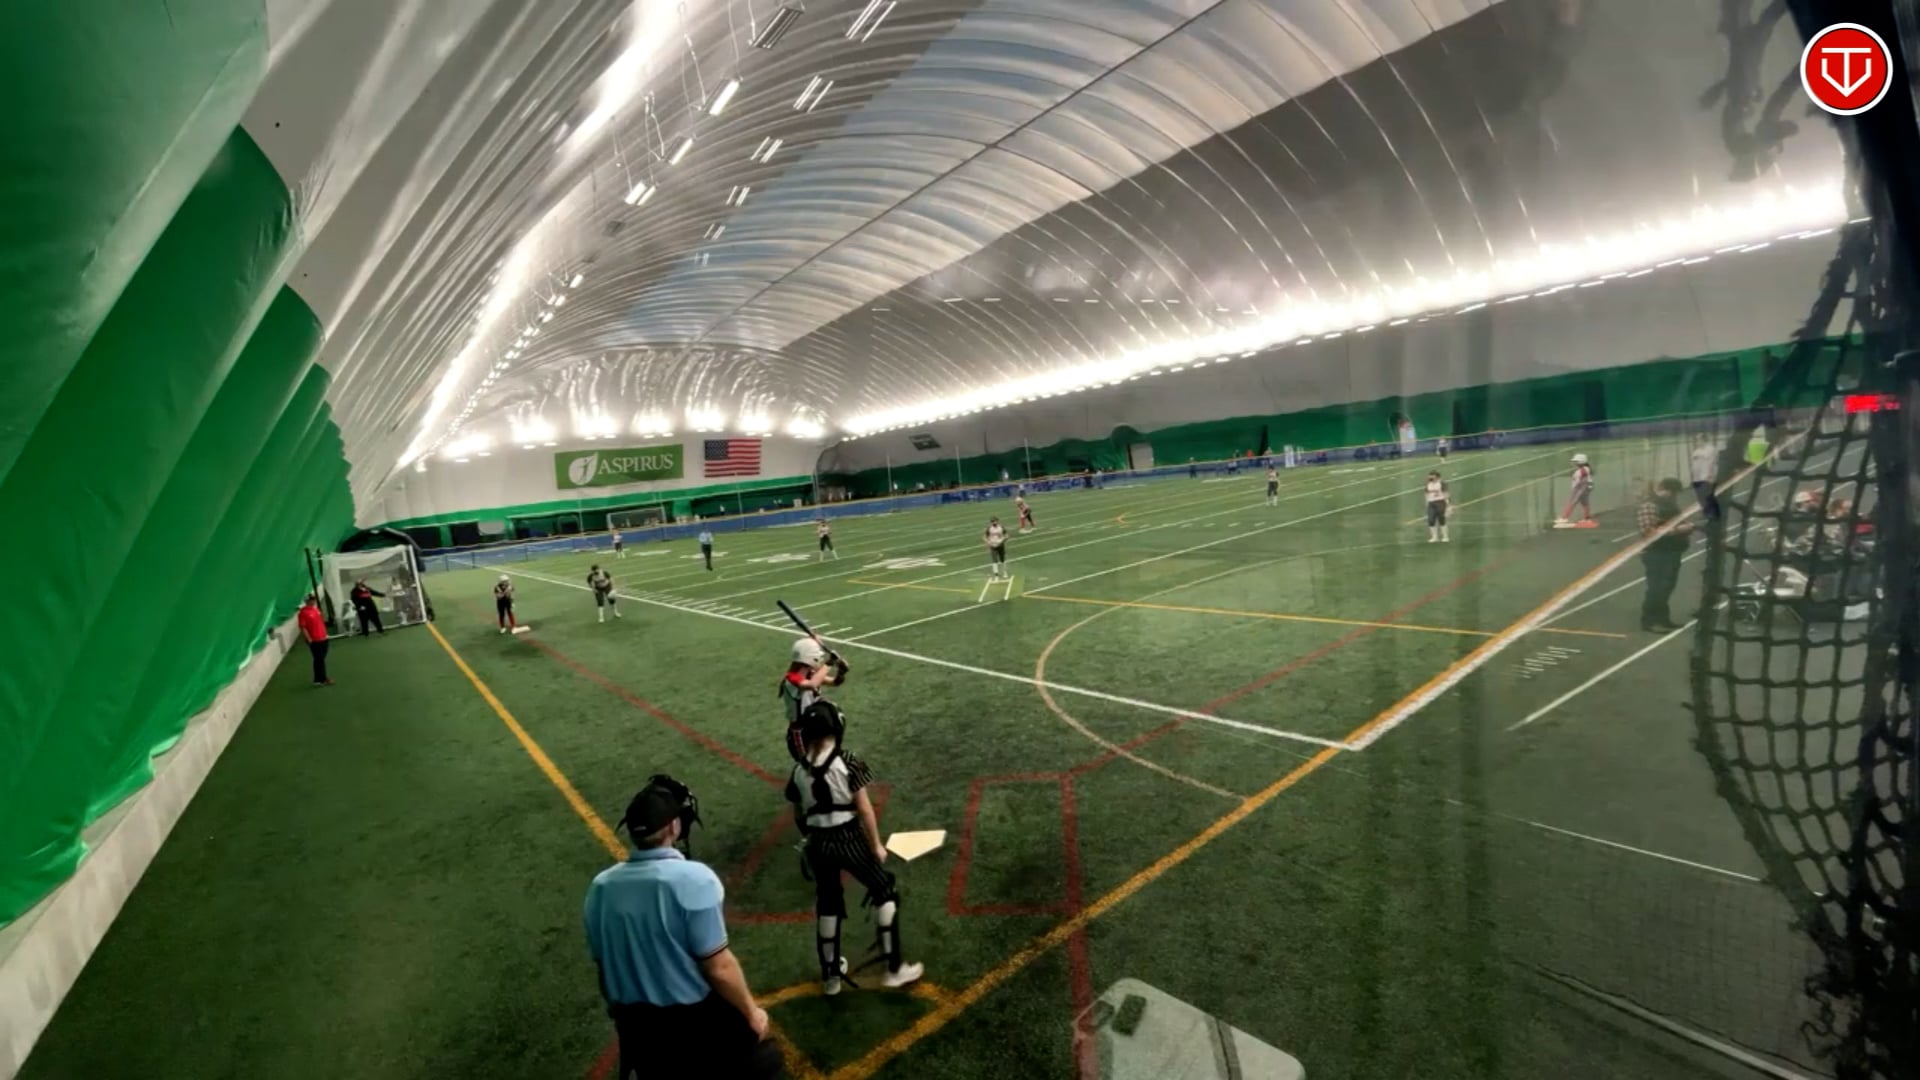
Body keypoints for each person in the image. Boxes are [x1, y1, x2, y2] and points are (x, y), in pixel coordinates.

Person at [585, 776, 783, 1080]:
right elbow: (719, 967)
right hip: (690, 1023)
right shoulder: (694, 879)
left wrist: (621, 1015)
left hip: (635, 1024)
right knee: (766, 1058)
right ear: (674, 826)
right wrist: (752, 1013)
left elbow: (603, 968)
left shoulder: (600, 888)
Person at [786, 700, 924, 994]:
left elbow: (798, 813)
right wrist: (876, 845)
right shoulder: (847, 761)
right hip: (847, 837)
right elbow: (864, 808)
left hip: (819, 842)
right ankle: (894, 969)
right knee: (884, 889)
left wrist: (810, 837)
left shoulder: (798, 771)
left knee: (828, 901)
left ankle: (831, 977)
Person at [1636, 478, 1695, 632]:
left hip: (1672, 552)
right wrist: (1678, 530)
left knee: (1667, 587)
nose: (1674, 497)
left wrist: (1688, 527)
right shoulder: (1649, 506)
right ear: (1664, 490)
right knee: (1656, 588)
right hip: (1656, 553)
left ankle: (1662, 618)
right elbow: (1648, 532)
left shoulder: (1671, 506)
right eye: (1672, 493)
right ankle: (1649, 621)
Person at [780, 637, 848, 763]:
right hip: (801, 732)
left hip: (815, 725)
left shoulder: (811, 674)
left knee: (825, 761)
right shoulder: (792, 678)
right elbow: (812, 684)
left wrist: (842, 672)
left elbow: (835, 682)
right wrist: (829, 663)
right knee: (808, 765)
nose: (820, 659)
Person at [297, 594, 332, 686]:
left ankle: (317, 679)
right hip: (315, 640)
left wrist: (326, 634)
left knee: (320, 659)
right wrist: (308, 639)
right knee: (319, 659)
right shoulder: (303, 613)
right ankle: (323, 679)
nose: (313, 601)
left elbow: (320, 622)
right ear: (306, 601)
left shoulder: (316, 609)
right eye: (311, 600)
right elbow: (302, 627)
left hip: (323, 637)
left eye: (314, 599)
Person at [1689, 435, 1722, 522]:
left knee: (1708, 496)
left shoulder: (1711, 449)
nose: (1697, 442)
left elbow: (1712, 462)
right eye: (1696, 440)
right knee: (1700, 497)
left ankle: (1714, 514)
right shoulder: (1696, 451)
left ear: (1704, 440)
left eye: (1698, 440)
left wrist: (1709, 476)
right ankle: (1706, 513)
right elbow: (1694, 463)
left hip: (1707, 477)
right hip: (1697, 478)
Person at [1559, 453, 1594, 525]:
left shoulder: (1582, 470)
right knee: (1585, 503)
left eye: (1576, 461)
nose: (1574, 463)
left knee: (1572, 502)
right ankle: (1587, 518)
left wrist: (1574, 489)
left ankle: (1564, 518)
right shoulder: (1584, 469)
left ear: (1581, 462)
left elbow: (1579, 480)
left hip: (1580, 488)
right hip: (1585, 488)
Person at [1425, 471, 1450, 543]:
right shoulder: (1428, 483)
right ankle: (1434, 537)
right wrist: (1427, 502)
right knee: (1431, 520)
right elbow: (1426, 493)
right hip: (1431, 503)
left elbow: (1446, 493)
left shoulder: (1441, 483)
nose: (1431, 478)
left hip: (1440, 502)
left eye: (1433, 476)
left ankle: (1445, 536)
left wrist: (1448, 504)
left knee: (1441, 519)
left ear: (1437, 477)